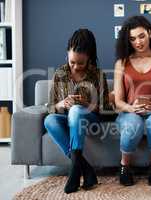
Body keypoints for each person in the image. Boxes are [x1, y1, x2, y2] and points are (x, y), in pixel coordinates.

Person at [44, 28, 110, 194]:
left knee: (76, 111)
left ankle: (74, 172)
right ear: (67, 54)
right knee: (49, 120)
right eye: (72, 62)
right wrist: (62, 104)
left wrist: (86, 104)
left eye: (81, 63)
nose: (76, 66)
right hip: (67, 118)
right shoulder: (60, 74)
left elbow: (106, 109)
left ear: (90, 57)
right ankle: (84, 168)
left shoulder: (97, 75)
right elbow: (51, 107)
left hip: (90, 120)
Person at [114, 15, 151, 186]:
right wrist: (132, 109)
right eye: (132, 39)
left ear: (149, 33)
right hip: (129, 113)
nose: (138, 42)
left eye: (141, 36)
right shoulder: (122, 63)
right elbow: (118, 101)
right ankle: (125, 165)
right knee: (134, 123)